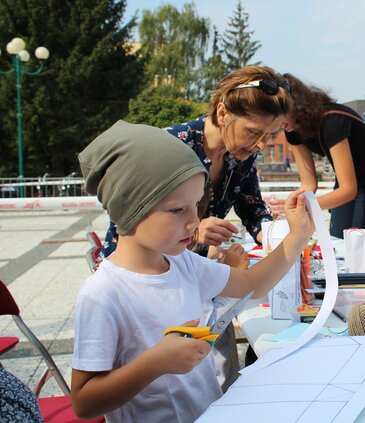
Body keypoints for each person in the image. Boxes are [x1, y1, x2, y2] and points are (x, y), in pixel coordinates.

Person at [71, 121, 313, 422]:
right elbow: (84, 401)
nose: (194, 222)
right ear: (129, 208)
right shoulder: (103, 294)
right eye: (177, 210)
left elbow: (254, 284)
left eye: (196, 206)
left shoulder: (183, 262)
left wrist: (298, 235)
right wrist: (156, 362)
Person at [97, 65, 293, 391]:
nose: (260, 144)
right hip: (143, 278)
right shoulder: (172, 146)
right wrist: (193, 229)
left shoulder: (239, 156)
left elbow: (252, 207)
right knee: (164, 381)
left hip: (189, 270)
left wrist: (275, 234)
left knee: (212, 370)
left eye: (270, 136)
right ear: (223, 112)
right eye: (253, 132)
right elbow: (128, 220)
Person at [272, 73, 365, 238]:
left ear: (295, 104)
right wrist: (294, 202)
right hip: (347, 181)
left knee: (359, 242)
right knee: (337, 238)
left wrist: (305, 206)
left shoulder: (332, 121)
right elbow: (308, 183)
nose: (277, 122)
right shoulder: (291, 131)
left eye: (279, 111)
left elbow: (348, 190)